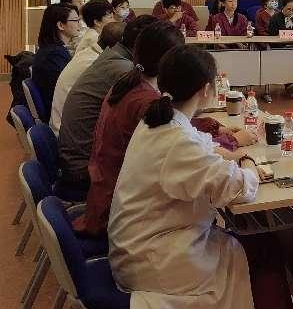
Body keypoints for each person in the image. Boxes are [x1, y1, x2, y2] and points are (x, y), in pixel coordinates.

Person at [108, 45, 293, 309]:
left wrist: (229, 153)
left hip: (141, 240)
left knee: (254, 243)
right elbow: (238, 188)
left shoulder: (158, 120)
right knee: (263, 248)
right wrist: (248, 162)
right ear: (206, 90)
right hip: (154, 259)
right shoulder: (176, 140)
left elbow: (202, 146)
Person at [77, 22, 257, 237]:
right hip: (135, 228)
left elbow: (195, 141)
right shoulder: (149, 106)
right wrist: (246, 158)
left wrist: (224, 143)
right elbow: (240, 187)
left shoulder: (149, 104)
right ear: (206, 89)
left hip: (120, 206)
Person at [58, 15, 157, 197]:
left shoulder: (112, 56)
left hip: (78, 156)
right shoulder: (124, 69)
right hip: (84, 168)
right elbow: (152, 117)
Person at [50, 21, 125, 134]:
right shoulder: (98, 63)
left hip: (66, 123)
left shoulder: (89, 53)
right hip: (66, 130)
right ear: (118, 47)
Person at [31, 3, 80, 110]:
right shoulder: (54, 55)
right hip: (59, 110)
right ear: (61, 25)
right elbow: (66, 88)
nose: (79, 25)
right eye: (76, 20)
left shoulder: (51, 49)